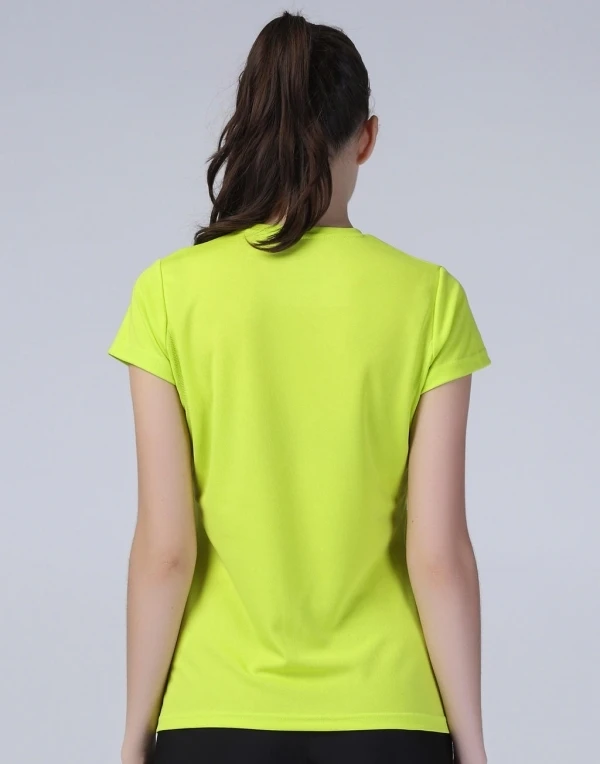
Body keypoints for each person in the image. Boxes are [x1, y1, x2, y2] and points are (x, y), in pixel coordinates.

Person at [108, 10, 491, 764]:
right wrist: (473, 746)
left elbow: (166, 551)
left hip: (213, 717)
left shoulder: (168, 295)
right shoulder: (430, 299)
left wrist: (133, 736)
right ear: (367, 137)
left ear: (254, 128)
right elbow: (439, 554)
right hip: (389, 718)